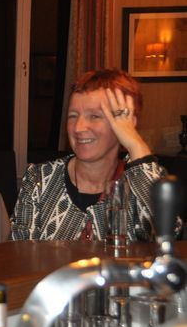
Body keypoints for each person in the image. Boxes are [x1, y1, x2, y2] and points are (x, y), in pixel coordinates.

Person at [11, 68, 167, 241]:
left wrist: (135, 143)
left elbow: (167, 234)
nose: (78, 128)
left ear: (127, 124)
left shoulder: (140, 182)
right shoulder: (39, 179)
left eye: (94, 116)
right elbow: (19, 250)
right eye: (73, 116)